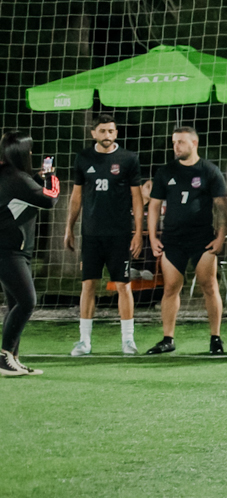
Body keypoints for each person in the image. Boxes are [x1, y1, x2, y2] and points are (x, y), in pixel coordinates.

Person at [63, 113, 144, 356]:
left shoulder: (129, 159)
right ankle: (84, 341)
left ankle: (128, 340)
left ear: (116, 133)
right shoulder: (83, 158)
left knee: (123, 285)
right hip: (91, 234)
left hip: (120, 234)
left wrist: (138, 232)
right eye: (102, 131)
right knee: (88, 285)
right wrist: (69, 227)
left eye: (111, 131)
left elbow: (137, 198)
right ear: (93, 133)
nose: (107, 135)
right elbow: (76, 195)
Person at [145, 125, 227, 356]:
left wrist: (221, 236)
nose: (176, 146)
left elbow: (222, 205)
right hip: (172, 239)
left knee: (209, 286)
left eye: (181, 142)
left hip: (202, 239)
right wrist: (152, 236)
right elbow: (154, 206)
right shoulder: (165, 172)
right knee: (171, 287)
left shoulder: (209, 171)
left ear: (194, 143)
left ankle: (215, 338)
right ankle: (168, 339)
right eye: (174, 142)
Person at [0, 133, 59, 375]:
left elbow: (24, 194)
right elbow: (50, 200)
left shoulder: (10, 176)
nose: (32, 154)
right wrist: (51, 176)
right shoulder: (17, 178)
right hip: (9, 251)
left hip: (13, 250)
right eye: (30, 151)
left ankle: (12, 359)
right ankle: (4, 357)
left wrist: (37, 178)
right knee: (27, 301)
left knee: (16, 302)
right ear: (22, 154)